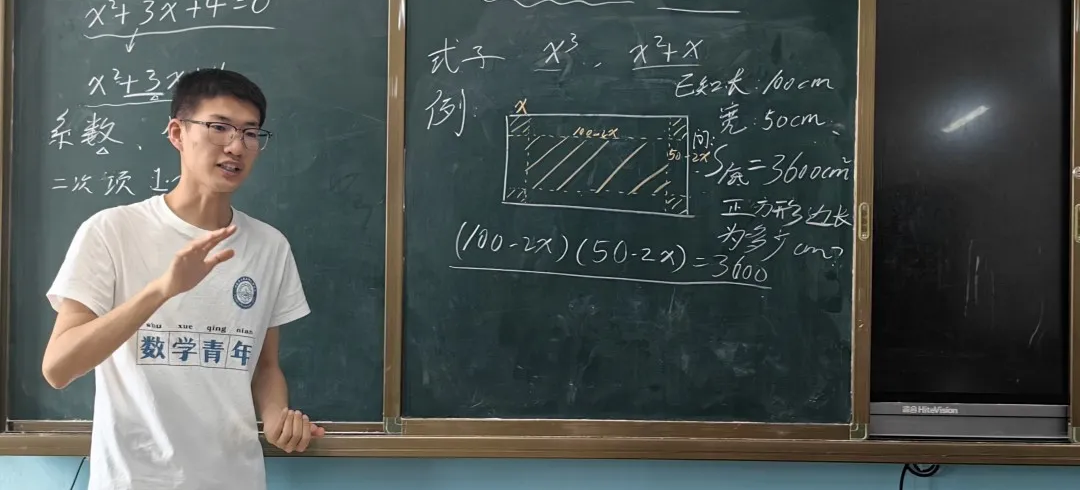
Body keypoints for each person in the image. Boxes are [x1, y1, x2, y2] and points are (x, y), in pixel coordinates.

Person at [40, 68, 324, 490]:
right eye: (219, 127)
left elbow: (264, 366)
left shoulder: (270, 246)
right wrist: (163, 289)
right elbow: (59, 367)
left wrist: (276, 416)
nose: (236, 146)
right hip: (134, 481)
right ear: (177, 133)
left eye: (250, 133)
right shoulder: (112, 231)